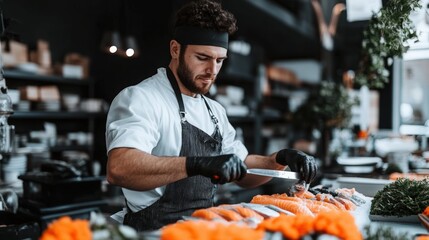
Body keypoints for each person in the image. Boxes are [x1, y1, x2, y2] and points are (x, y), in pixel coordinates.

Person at [105, 0, 317, 231]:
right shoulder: (141, 98)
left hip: (203, 229)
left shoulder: (214, 110)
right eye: (202, 58)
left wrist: (279, 160)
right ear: (175, 49)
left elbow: (242, 168)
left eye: (219, 60)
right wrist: (196, 164)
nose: (212, 71)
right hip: (153, 232)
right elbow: (120, 168)